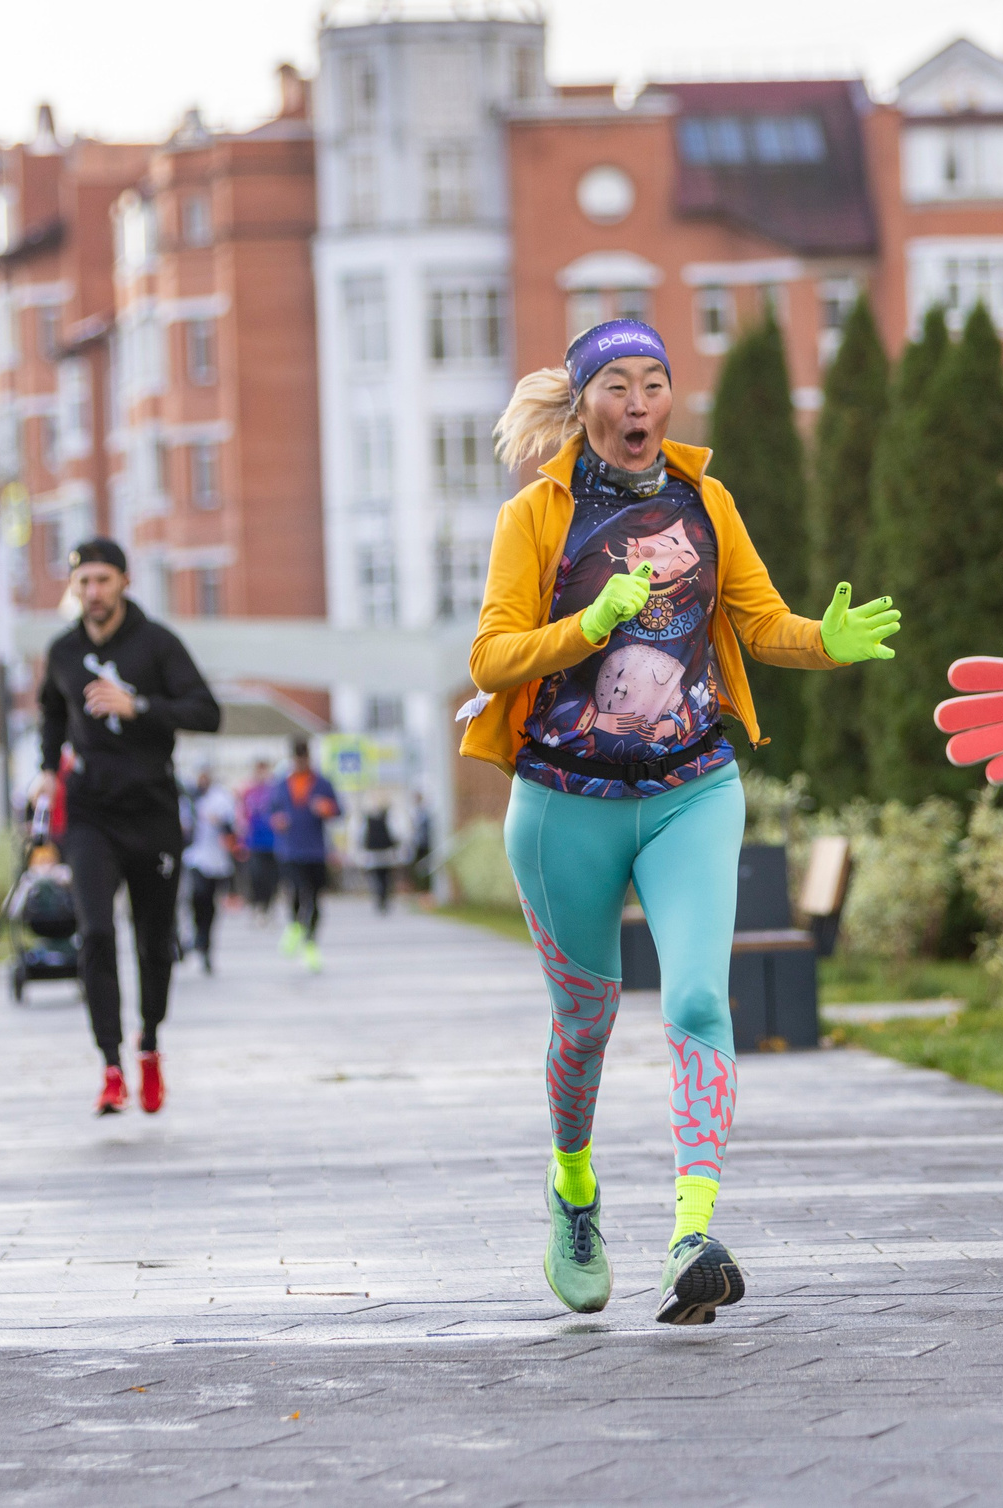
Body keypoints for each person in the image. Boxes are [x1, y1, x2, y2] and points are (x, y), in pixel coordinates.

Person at [464, 317, 901, 1325]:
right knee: (586, 1023)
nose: (638, 403)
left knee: (700, 997)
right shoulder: (536, 515)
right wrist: (592, 624)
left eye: (653, 382)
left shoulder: (706, 504)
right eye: (616, 385)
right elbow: (490, 658)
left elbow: (759, 623)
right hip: (562, 800)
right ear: (584, 407)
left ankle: (691, 1230)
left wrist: (823, 642)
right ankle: (573, 1190)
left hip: (690, 788)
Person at [35, 538, 221, 1117]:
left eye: (103, 581)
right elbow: (51, 714)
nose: (93, 592)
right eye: (83, 581)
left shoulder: (158, 644)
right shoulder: (62, 651)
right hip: (90, 810)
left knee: (153, 940)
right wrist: (46, 771)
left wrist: (138, 706)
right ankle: (111, 1064)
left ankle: (149, 1045)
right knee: (94, 933)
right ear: (75, 587)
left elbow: (206, 712)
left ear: (124, 582)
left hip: (152, 808)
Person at [267, 737, 339, 972]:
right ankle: (296, 927)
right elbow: (271, 811)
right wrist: (276, 821)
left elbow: (338, 809)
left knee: (315, 897)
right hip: (290, 849)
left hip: (315, 850)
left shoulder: (322, 784)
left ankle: (310, 941)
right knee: (297, 890)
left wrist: (325, 809)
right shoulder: (281, 784)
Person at [182, 768, 239, 975]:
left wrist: (220, 822)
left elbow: (231, 826)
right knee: (197, 896)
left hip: (217, 860)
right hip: (195, 857)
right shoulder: (190, 797)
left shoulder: (220, 797)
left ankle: (204, 944)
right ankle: (197, 937)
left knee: (209, 904)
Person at [238, 758, 280, 924]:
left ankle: (268, 906)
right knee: (256, 876)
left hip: (273, 842)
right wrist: (241, 839)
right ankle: (257, 905)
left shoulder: (274, 791)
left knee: (272, 877)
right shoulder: (248, 791)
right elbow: (241, 816)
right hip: (254, 842)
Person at [361, 803, 397, 915]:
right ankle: (382, 898)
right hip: (384, 853)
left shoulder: (369, 822)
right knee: (384, 878)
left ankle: (380, 898)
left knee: (378, 878)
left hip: (376, 853)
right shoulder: (385, 820)